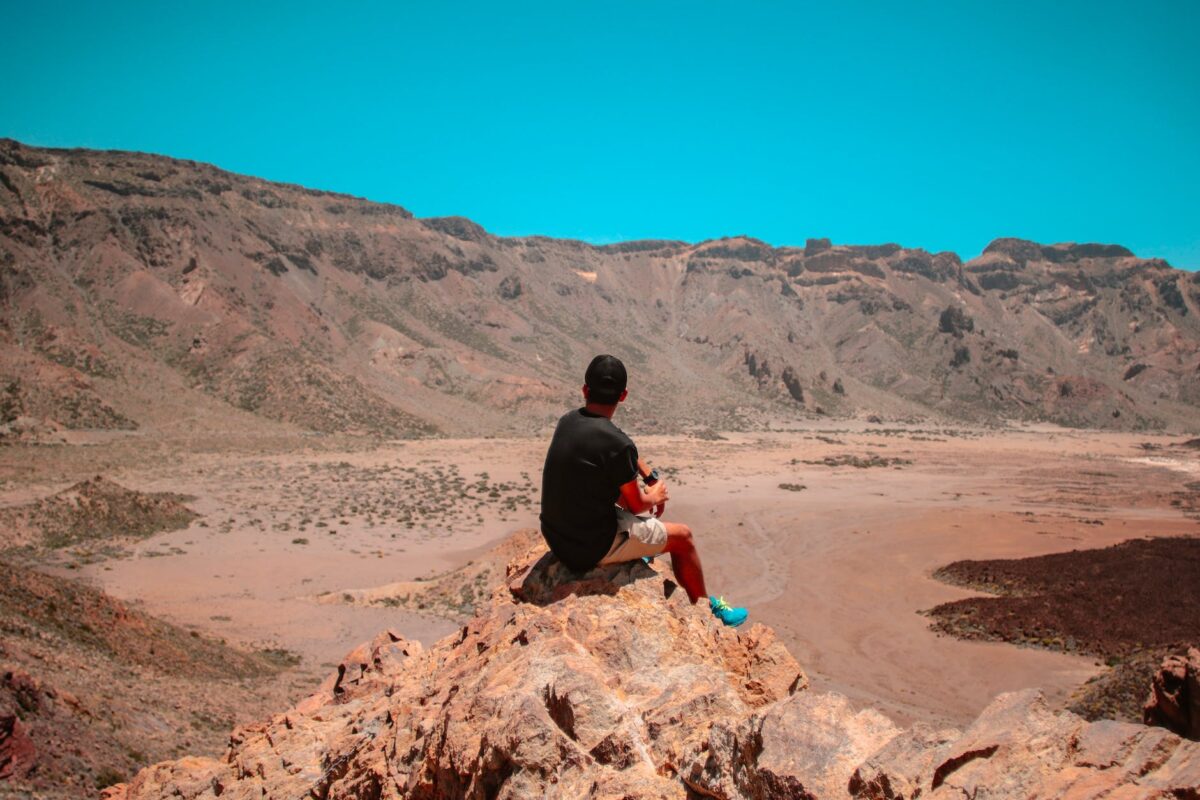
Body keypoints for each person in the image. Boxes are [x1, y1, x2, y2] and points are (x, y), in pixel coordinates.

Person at [539, 354, 748, 627]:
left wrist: (647, 475)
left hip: (556, 538)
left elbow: (619, 447)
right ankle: (706, 611)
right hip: (587, 550)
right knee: (683, 537)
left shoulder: (569, 421)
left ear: (585, 390)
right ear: (623, 395)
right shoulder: (616, 444)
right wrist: (656, 494)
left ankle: (639, 549)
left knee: (631, 509)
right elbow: (637, 504)